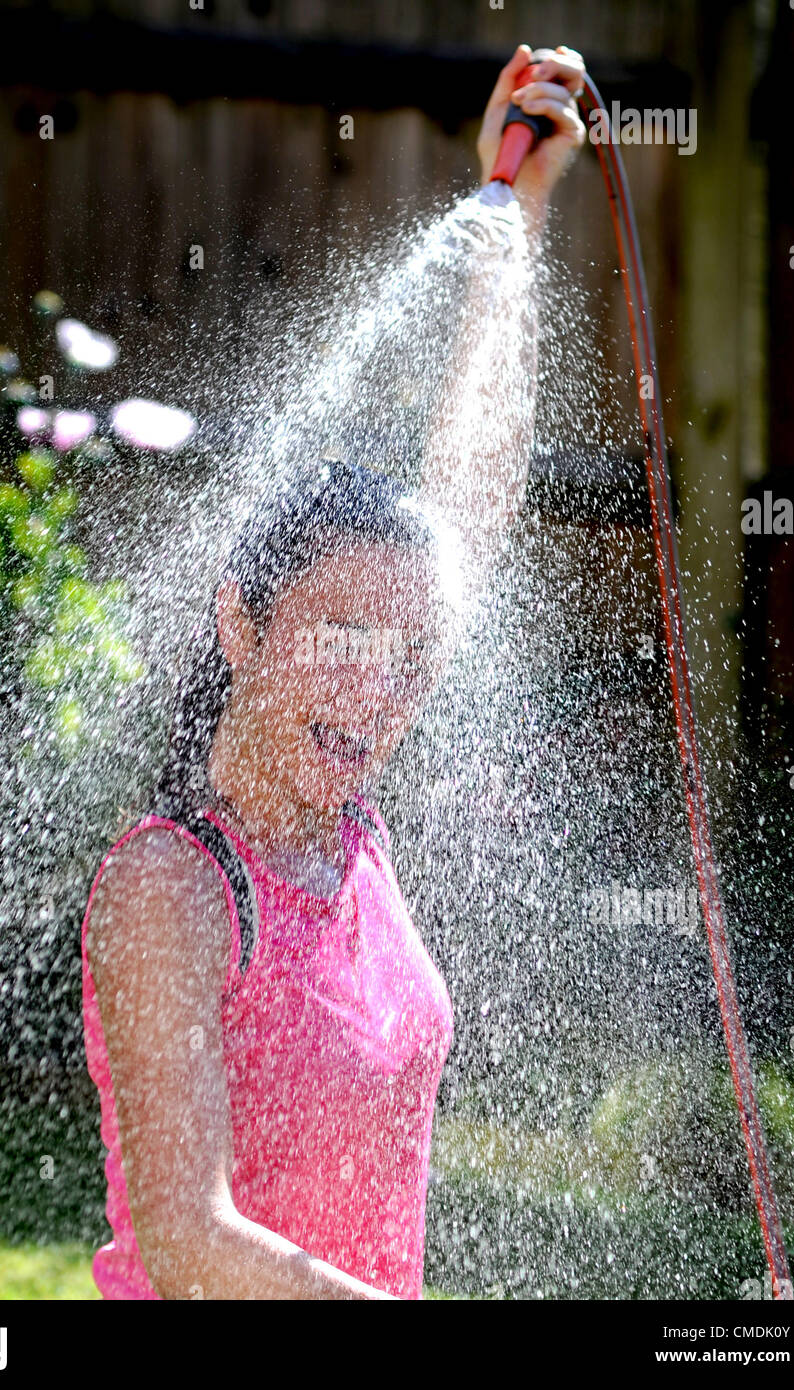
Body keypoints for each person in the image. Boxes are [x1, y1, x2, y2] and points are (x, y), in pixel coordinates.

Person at [81, 43, 587, 1300]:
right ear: (241, 627)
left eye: (410, 654)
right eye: (342, 637)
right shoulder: (173, 888)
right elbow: (192, 1247)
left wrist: (517, 213)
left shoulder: (349, 835)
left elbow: (468, 502)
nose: (381, 687)